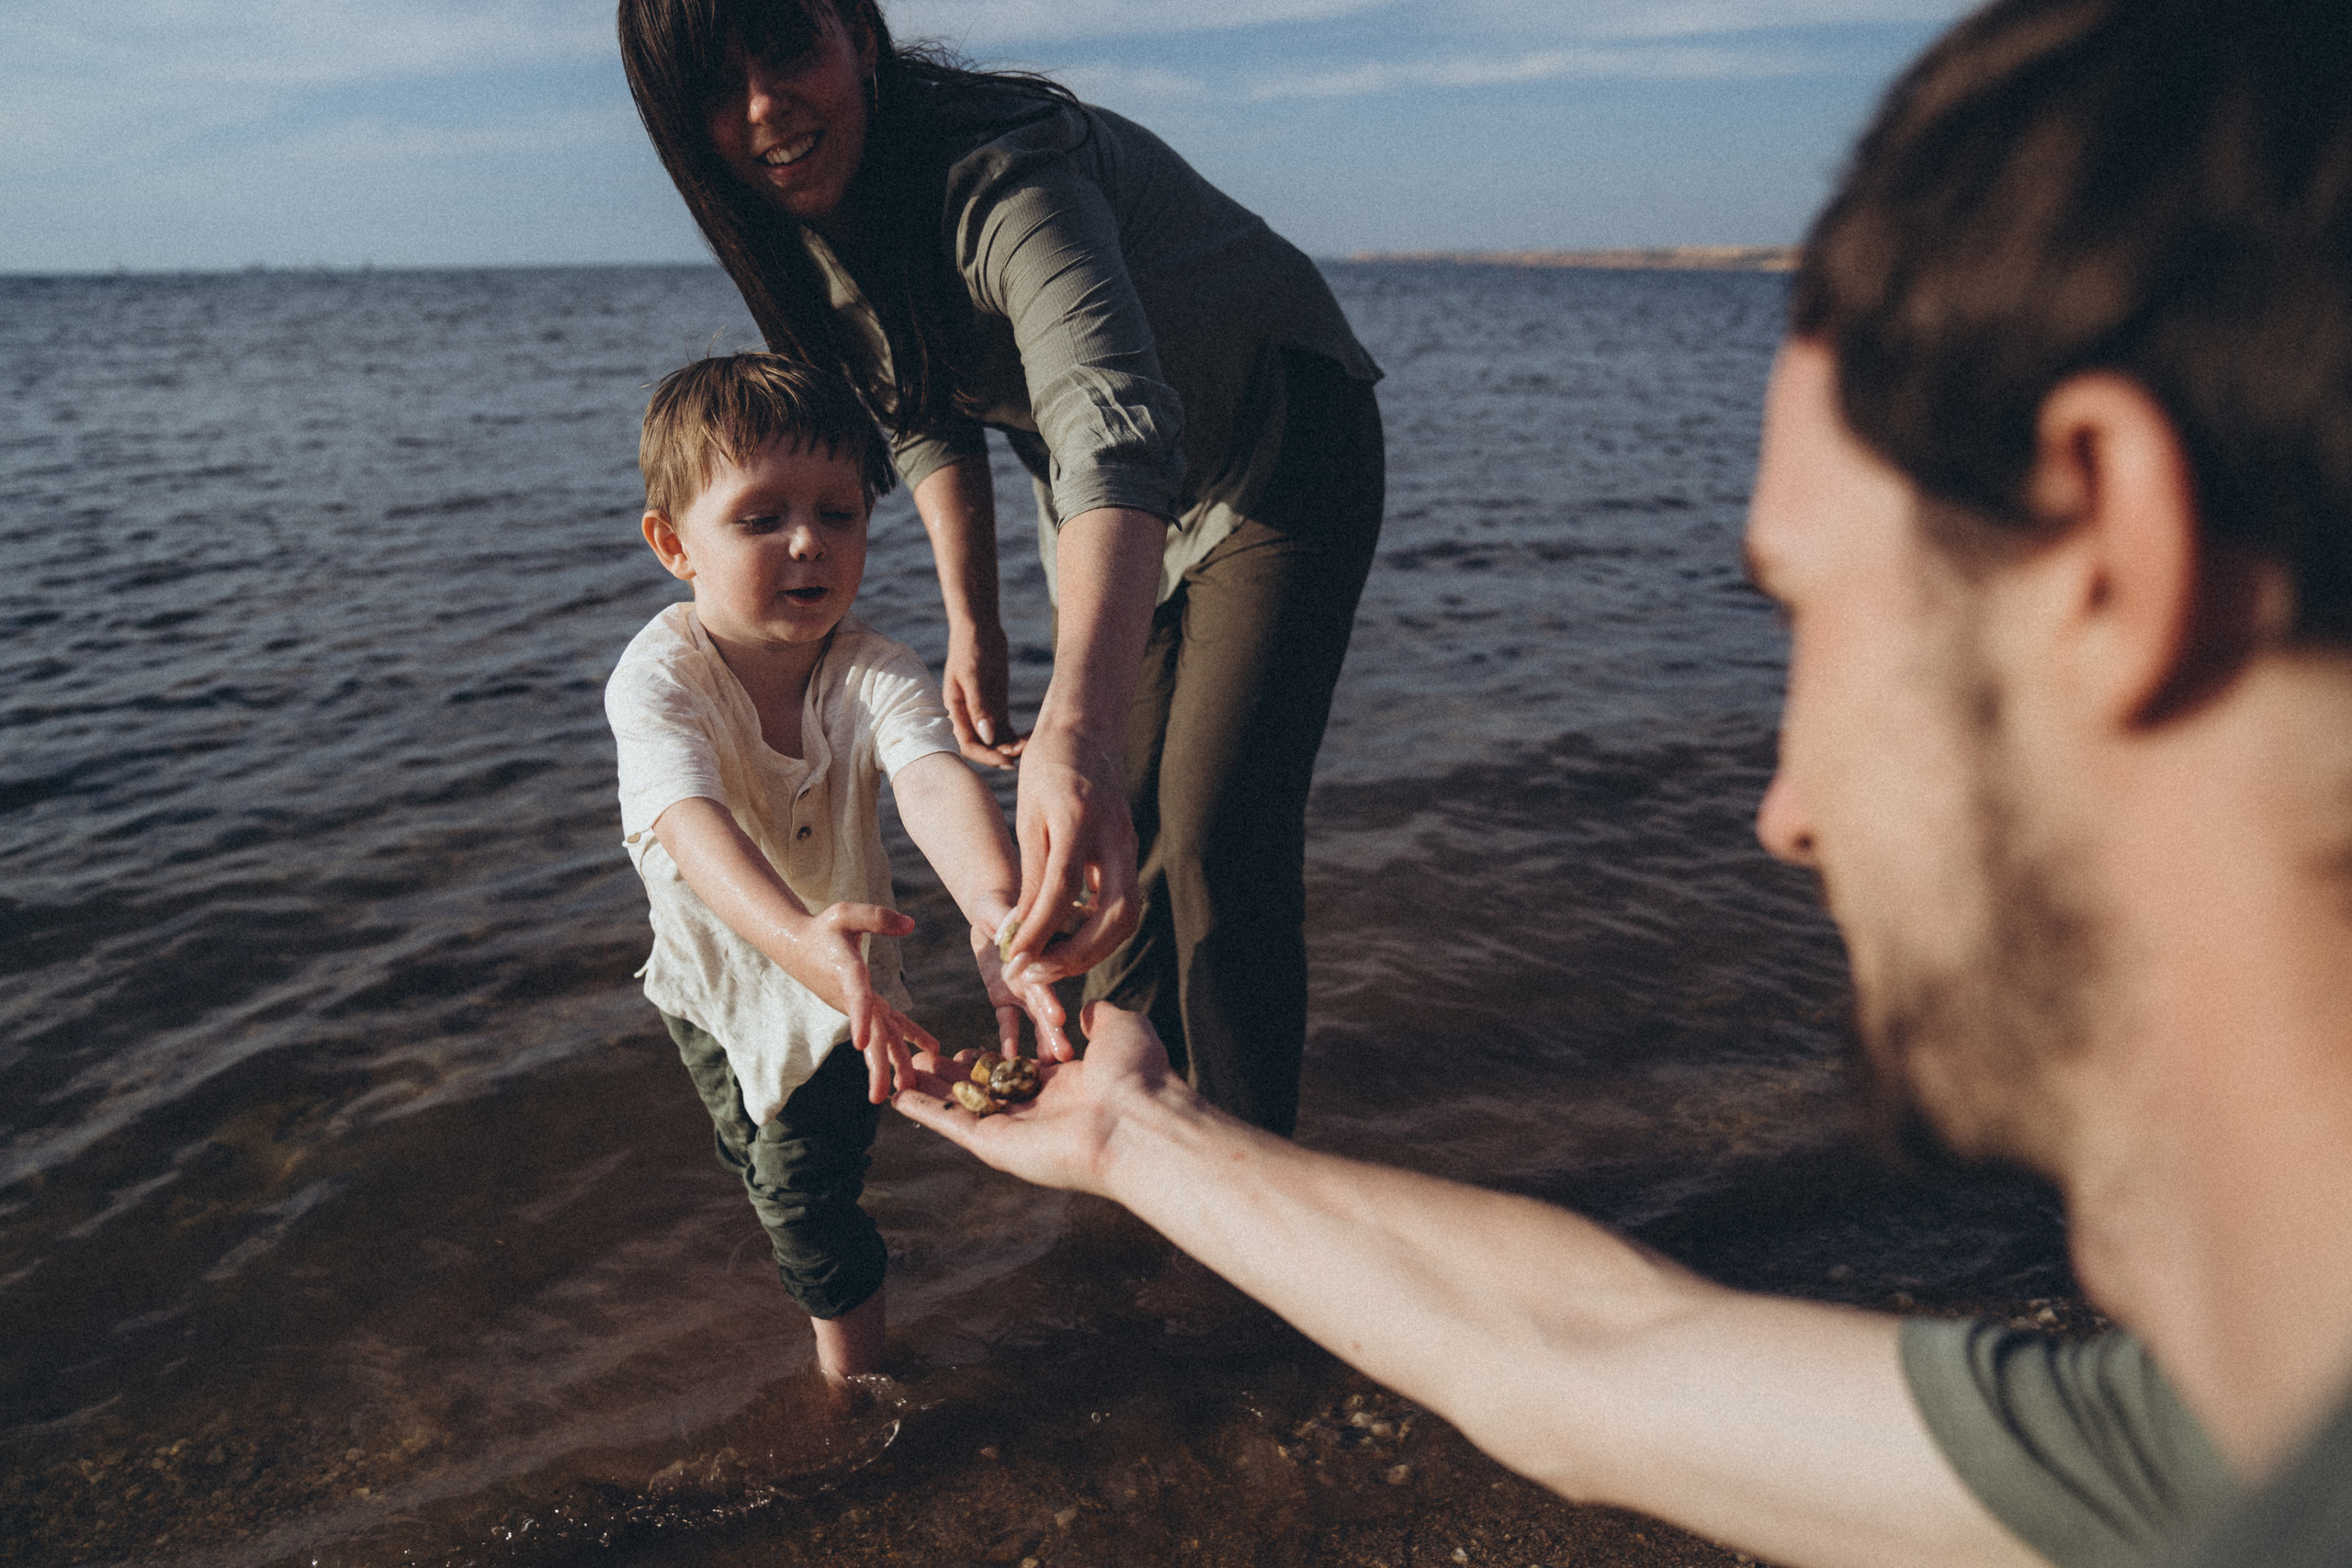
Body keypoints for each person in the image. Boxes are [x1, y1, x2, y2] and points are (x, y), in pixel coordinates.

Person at [895, 0, 2352, 1563]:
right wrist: (1138, 1136)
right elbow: (1591, 1368)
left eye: (1809, 613)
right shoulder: (2215, 1446)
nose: (1782, 807)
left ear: (2116, 561)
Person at [618, 0, 1385, 1136]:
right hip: (1123, 500)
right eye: (716, 88)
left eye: (787, 51)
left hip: (1275, 442)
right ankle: (1127, 1125)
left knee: (1213, 828)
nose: (765, 108)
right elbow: (914, 408)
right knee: (1105, 832)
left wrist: (1072, 725)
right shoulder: (791, 225)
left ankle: (1252, 1172)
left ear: (856, 36)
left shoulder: (1006, 171)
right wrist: (970, 617)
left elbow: (1106, 425)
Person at [605, 353, 1065, 1388]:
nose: (809, 541)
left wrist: (995, 919)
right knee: (751, 1162)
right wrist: (795, 939)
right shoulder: (657, 680)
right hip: (708, 989)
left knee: (805, 1202)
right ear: (674, 543)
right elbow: (688, 823)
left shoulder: (873, 669)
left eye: (840, 513)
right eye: (761, 518)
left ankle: (853, 1388)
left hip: (843, 1006)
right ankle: (825, 1279)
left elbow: (932, 780)